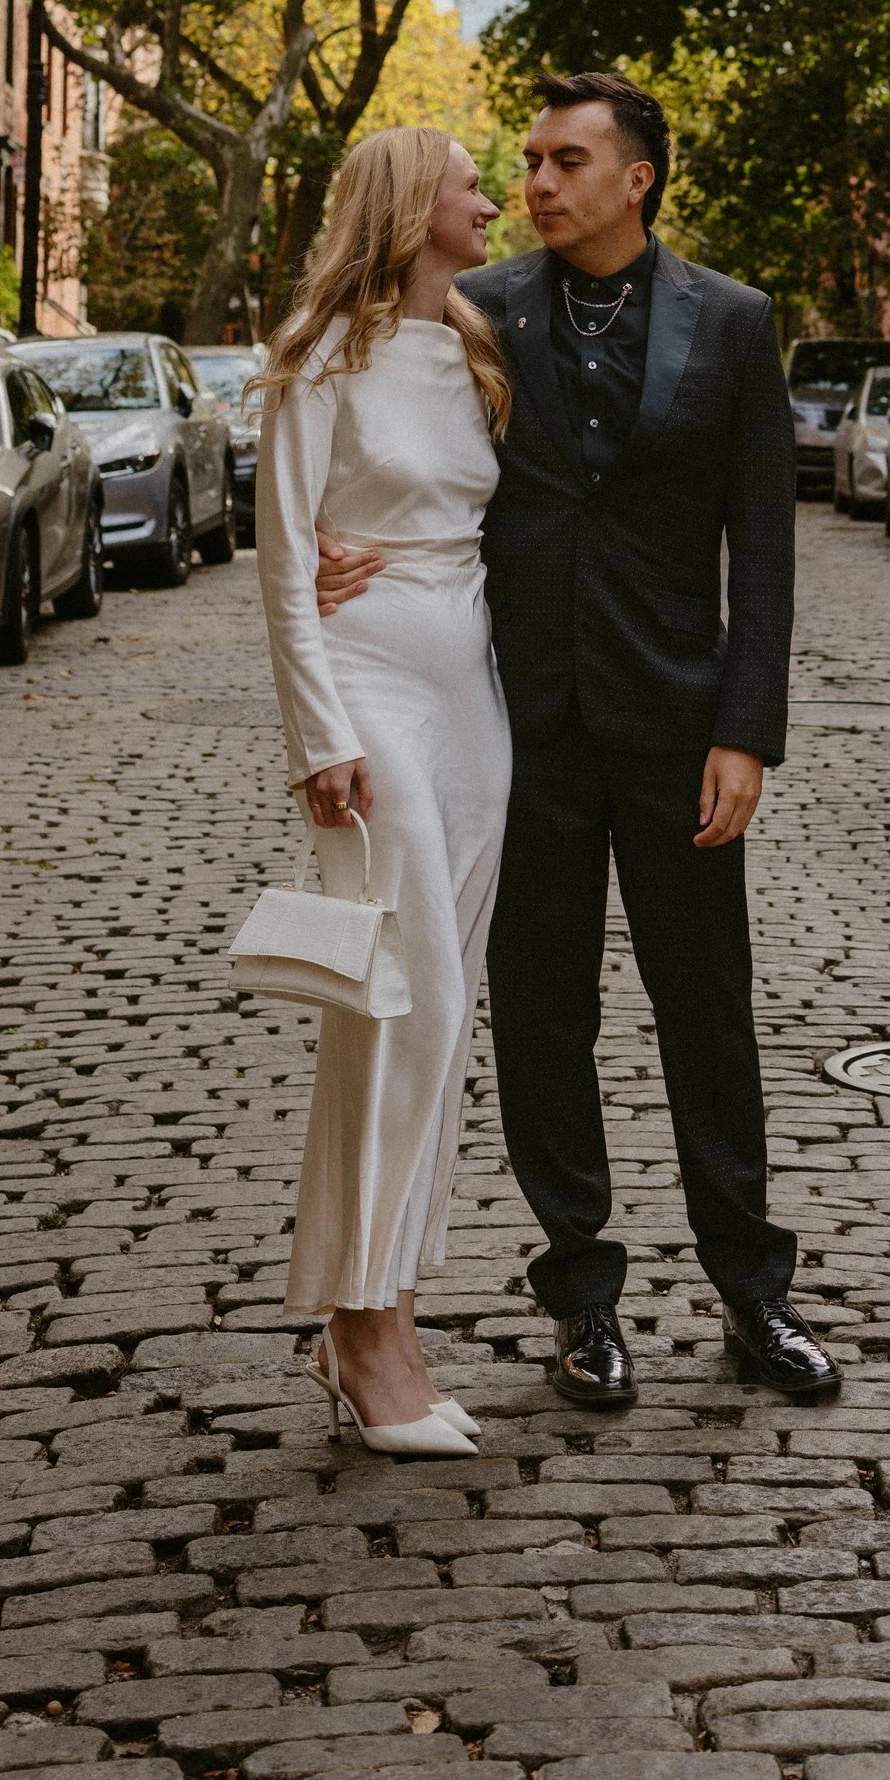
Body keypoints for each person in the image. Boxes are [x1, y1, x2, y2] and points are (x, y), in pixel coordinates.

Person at [319, 70, 837, 1411]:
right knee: (544, 1020)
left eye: (565, 159)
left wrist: (748, 728)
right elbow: (357, 391)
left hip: (677, 726)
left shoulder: (732, 321)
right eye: (529, 160)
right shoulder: (476, 307)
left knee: (707, 1012)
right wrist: (335, 545)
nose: (536, 180)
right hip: (520, 721)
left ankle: (752, 1291)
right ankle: (584, 1299)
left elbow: (763, 550)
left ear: (637, 177)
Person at [255, 119, 509, 1455]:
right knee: (413, 1001)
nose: (494, 198)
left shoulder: (479, 340)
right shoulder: (318, 355)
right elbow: (287, 561)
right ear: (417, 206)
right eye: (474, 182)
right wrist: (318, 735)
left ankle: (387, 1301)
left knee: (438, 1011)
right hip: (371, 697)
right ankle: (361, 1328)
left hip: (479, 701)